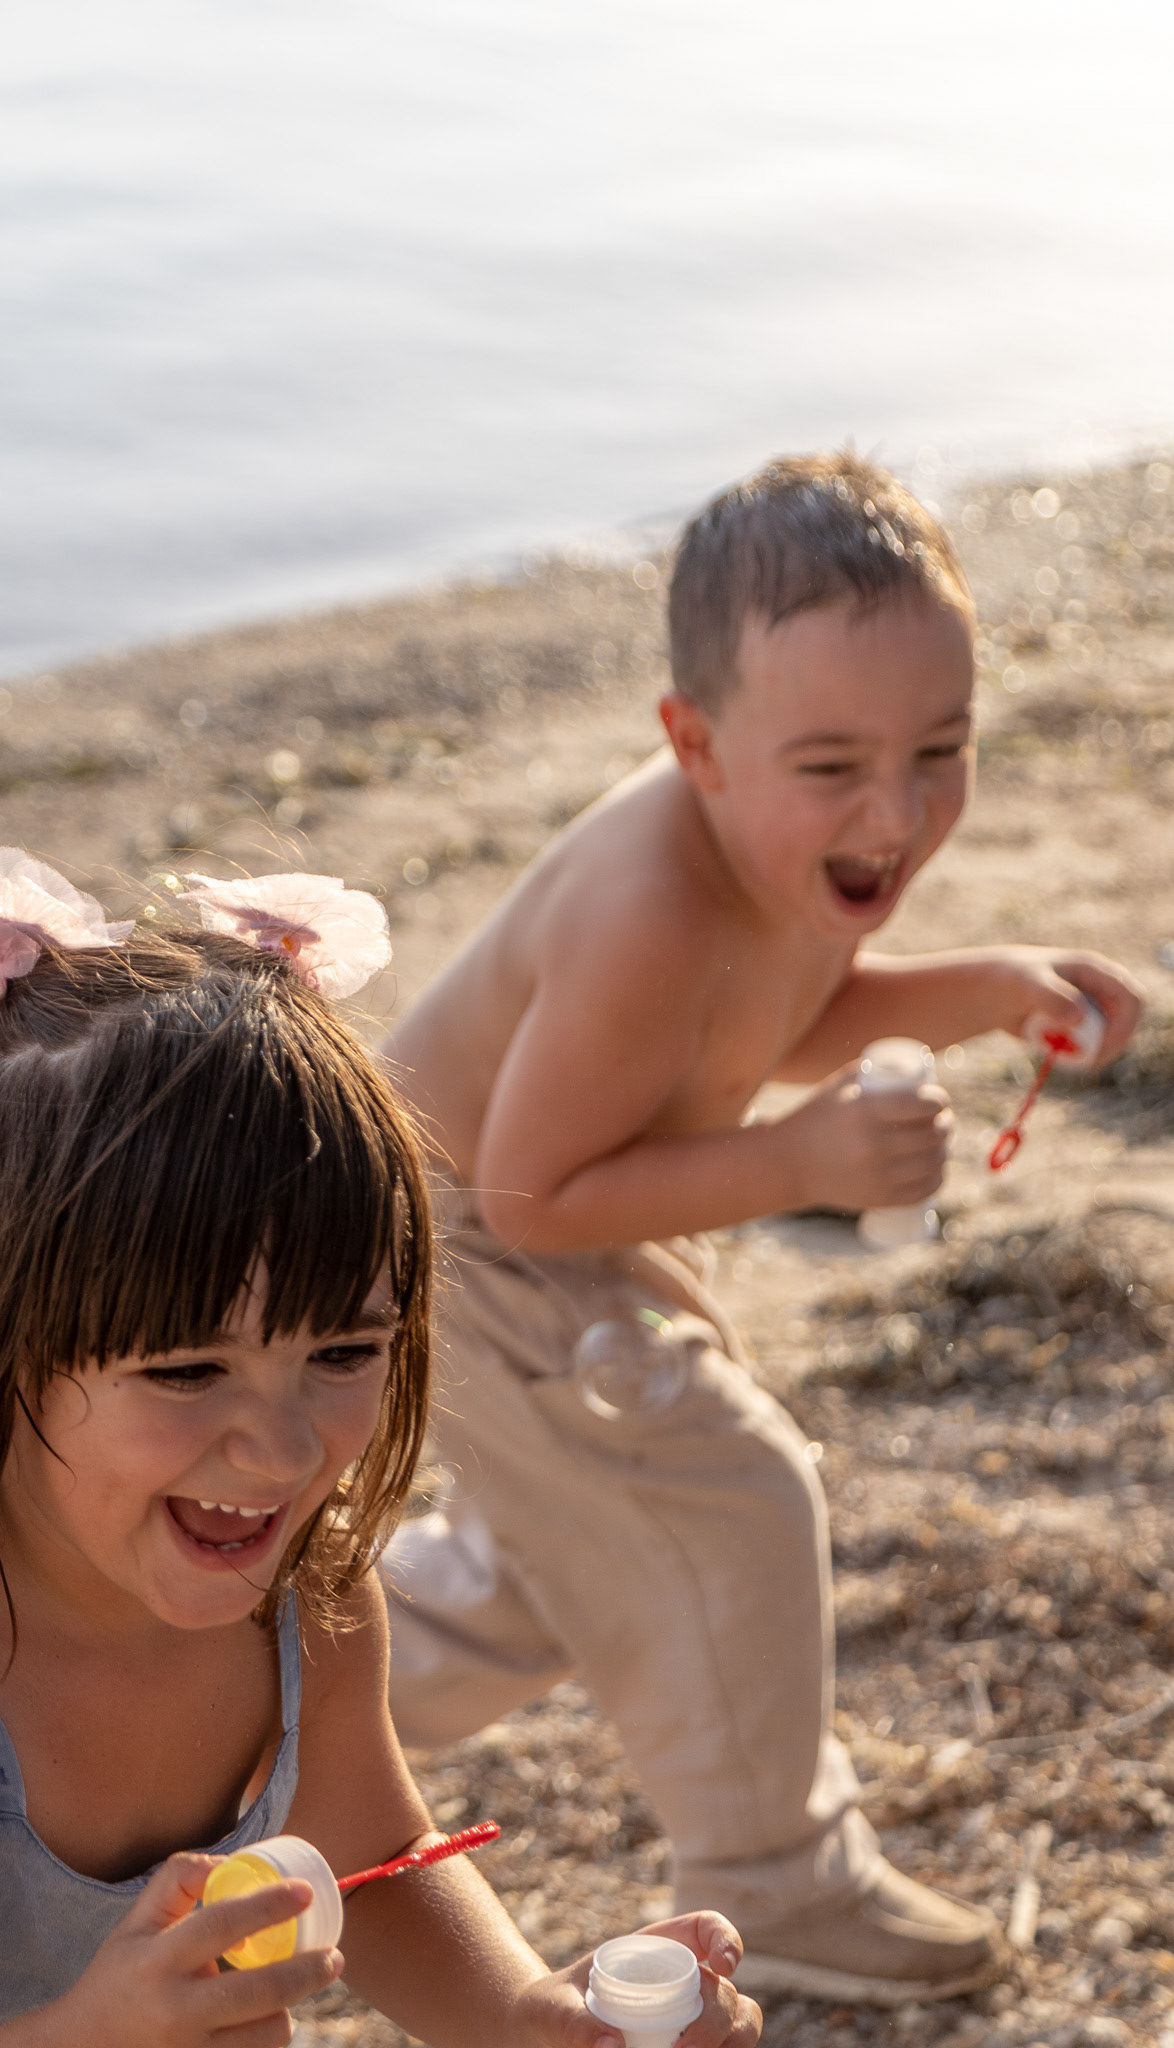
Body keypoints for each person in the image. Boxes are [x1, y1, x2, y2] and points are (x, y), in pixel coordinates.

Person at [0, 848, 761, 2048]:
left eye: (342, 1350)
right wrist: (97, 2032)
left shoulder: (301, 1594)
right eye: (187, 1370)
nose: (280, 1450)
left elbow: (372, 1855)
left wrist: (524, 2012)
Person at [378, 454, 1146, 2007]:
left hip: (533, 1242)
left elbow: (784, 1014)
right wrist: (801, 1161)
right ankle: (775, 1883)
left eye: (941, 750)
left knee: (547, 1575)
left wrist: (991, 987)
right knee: (731, 1498)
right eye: (835, 765)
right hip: (477, 1252)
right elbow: (529, 1190)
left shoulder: (769, 842)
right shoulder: (647, 909)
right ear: (694, 744)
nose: (896, 813)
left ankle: (233, 1723)